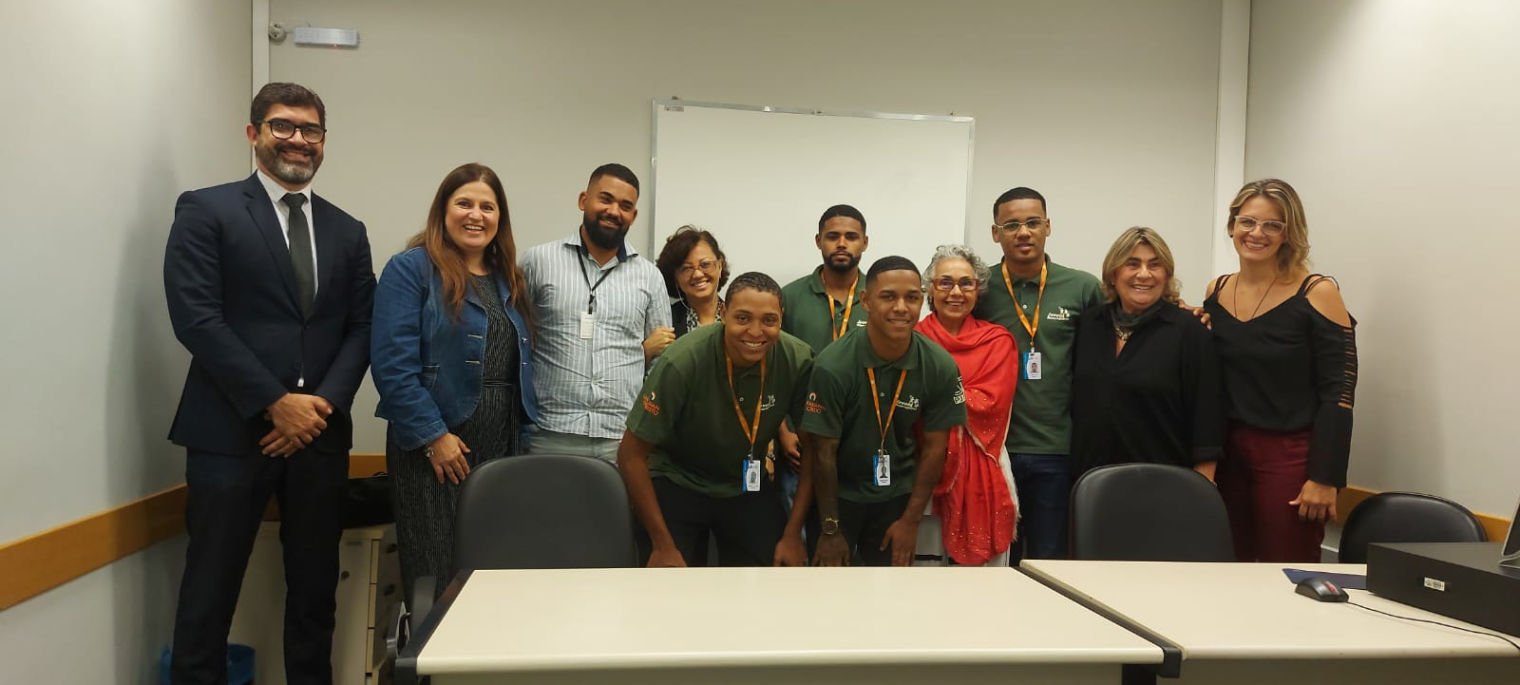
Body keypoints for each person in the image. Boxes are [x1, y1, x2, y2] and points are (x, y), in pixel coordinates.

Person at [163, 82, 375, 685]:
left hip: (320, 440)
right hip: (229, 435)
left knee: (315, 597)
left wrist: (319, 408)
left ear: (324, 143)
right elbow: (196, 320)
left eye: (310, 131)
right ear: (253, 133)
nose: (298, 140)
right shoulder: (207, 210)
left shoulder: (347, 230)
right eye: (283, 126)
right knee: (209, 596)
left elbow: (362, 327)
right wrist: (275, 404)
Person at [370, 163, 538, 601]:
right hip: (436, 453)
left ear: (500, 217)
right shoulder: (410, 269)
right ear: (443, 210)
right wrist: (433, 437)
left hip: (502, 446)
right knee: (438, 574)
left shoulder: (509, 278)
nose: (475, 215)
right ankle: (433, 668)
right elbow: (392, 368)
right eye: (464, 203)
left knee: (494, 574)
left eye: (487, 206)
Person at [1204, 179, 1358, 563]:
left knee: (1286, 569)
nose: (1257, 233)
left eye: (1272, 225)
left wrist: (1326, 478)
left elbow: (1340, 390)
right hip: (1227, 455)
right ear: (1231, 226)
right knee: (1223, 566)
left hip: (1289, 456)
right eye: (1247, 222)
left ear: (1289, 233)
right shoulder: (1217, 290)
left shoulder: (1317, 291)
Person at [618, 273, 814, 567]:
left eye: (769, 320)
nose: (755, 331)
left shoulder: (797, 359)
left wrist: (791, 535)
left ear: (781, 318)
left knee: (773, 578)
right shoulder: (683, 361)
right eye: (743, 318)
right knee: (669, 589)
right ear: (723, 314)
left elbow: (816, 450)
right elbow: (631, 454)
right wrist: (662, 544)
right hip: (679, 480)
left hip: (746, 485)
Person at [803, 256, 967, 566]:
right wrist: (829, 529)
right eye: (888, 296)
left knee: (891, 597)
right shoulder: (833, 365)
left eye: (912, 298)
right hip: (838, 497)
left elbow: (935, 449)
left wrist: (910, 521)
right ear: (866, 300)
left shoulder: (939, 365)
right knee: (825, 596)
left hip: (896, 499)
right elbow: (822, 453)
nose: (902, 307)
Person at [972, 187, 1101, 562]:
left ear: (1048, 227)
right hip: (996, 451)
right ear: (995, 233)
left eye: (1032, 222)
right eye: (1011, 225)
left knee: (1049, 559)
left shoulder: (1082, 287)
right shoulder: (979, 289)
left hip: (1058, 449)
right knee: (994, 560)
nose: (1023, 232)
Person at [519, 164, 673, 462]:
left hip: (621, 436)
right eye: (605, 199)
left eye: (625, 206)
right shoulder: (538, 261)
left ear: (634, 216)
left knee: (616, 511)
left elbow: (661, 363)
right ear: (583, 200)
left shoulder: (649, 275)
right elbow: (516, 341)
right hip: (550, 432)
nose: (614, 211)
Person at [1070, 227, 1223, 481]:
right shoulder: (1089, 325)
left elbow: (1207, 419)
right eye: (1132, 264)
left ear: (1166, 275)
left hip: (1164, 482)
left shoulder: (1190, 332)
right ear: (1113, 273)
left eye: (1155, 265)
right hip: (1090, 483)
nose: (1144, 274)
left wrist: (1203, 487)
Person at [914, 245, 1018, 567]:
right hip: (921, 466)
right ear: (930, 289)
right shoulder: (911, 339)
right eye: (945, 283)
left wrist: (937, 395)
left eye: (966, 283)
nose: (955, 292)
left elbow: (991, 404)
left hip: (984, 464)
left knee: (982, 588)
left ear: (978, 290)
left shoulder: (998, 342)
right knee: (923, 567)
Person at [777, 205, 871, 501]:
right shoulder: (789, 297)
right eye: (833, 236)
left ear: (865, 243)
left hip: (860, 442)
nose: (842, 243)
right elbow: (772, 369)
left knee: (849, 536)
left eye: (851, 236)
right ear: (818, 240)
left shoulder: (881, 296)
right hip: (800, 440)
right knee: (800, 536)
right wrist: (783, 432)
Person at [655, 225, 730, 337]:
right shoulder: (664, 320)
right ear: (675, 277)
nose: (697, 274)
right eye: (686, 268)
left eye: (705, 264)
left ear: (720, 266)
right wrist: (647, 349)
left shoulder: (736, 316)